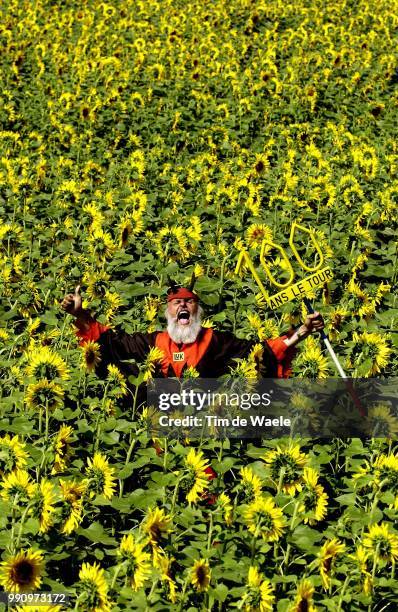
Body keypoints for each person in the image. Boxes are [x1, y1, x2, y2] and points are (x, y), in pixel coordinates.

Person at [60, 282, 325, 382]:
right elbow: (111, 344)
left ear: (198, 312)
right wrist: (80, 314)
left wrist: (302, 331)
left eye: (189, 302)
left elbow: (261, 352)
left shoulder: (217, 341)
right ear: (168, 312)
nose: (183, 306)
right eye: (177, 303)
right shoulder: (153, 342)